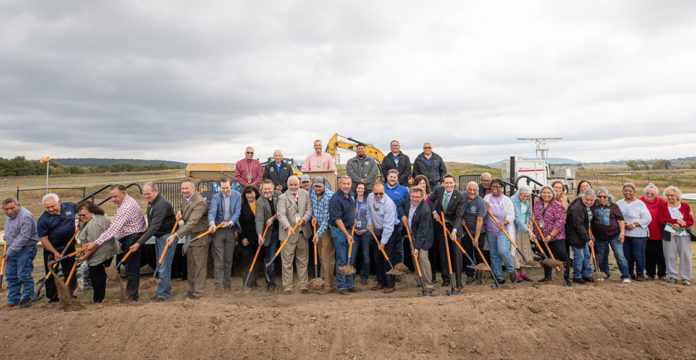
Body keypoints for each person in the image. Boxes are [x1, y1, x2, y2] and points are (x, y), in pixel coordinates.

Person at [88, 185, 147, 301]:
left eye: (115, 196)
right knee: (130, 268)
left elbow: (113, 229)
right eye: (111, 197)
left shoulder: (126, 207)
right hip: (129, 238)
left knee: (131, 269)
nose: (113, 199)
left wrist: (95, 243)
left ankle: (132, 297)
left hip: (132, 239)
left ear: (124, 194)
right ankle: (130, 294)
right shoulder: (126, 202)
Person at [128, 182, 176, 301]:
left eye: (148, 194)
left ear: (156, 191)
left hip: (167, 237)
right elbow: (150, 223)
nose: (146, 196)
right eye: (144, 194)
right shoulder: (152, 202)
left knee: (163, 266)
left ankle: (163, 295)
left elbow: (154, 227)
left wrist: (139, 243)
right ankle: (164, 291)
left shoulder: (161, 204)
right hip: (159, 236)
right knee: (160, 265)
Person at [76, 201, 120, 303]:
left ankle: (98, 299)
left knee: (96, 275)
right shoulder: (100, 215)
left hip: (101, 253)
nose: (81, 217)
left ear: (92, 212)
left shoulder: (94, 226)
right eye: (79, 215)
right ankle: (99, 298)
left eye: (84, 215)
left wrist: (84, 257)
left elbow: (94, 246)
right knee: (99, 275)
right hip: (109, 249)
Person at [38, 193, 78, 302]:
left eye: (53, 206)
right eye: (47, 207)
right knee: (51, 273)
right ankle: (52, 296)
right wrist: (55, 252)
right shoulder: (43, 220)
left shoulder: (70, 207)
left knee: (70, 271)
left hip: (69, 246)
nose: (51, 209)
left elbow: (83, 209)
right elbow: (44, 239)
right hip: (51, 249)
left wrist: (83, 218)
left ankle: (69, 294)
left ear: (59, 202)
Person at [172, 180, 209, 299]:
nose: (184, 191)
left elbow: (192, 222)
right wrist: (179, 210)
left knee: (199, 266)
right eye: (183, 189)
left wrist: (177, 235)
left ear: (193, 189)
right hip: (190, 237)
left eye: (187, 188)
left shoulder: (199, 202)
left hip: (199, 236)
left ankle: (198, 292)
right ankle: (192, 289)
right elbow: (184, 208)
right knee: (191, 264)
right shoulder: (187, 198)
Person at [277, 176, 312, 294]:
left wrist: (305, 219)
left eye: (295, 185)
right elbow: (281, 215)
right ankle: (288, 286)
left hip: (302, 233)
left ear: (299, 185)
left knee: (302, 260)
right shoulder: (282, 197)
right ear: (288, 185)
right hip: (288, 234)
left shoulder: (305, 194)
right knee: (287, 262)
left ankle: (303, 285)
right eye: (291, 185)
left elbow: (309, 210)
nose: (293, 187)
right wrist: (288, 226)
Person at [2, 198, 39, 308]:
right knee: (10, 275)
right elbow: (11, 229)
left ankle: (28, 297)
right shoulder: (8, 216)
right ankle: (13, 300)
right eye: (6, 209)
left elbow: (24, 237)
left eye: (12, 208)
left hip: (26, 249)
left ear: (18, 205)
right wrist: (7, 236)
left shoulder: (26, 217)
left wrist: (9, 251)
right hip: (12, 249)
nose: (9, 211)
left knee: (23, 274)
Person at [207, 178, 242, 296]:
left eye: (227, 188)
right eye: (223, 188)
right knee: (219, 261)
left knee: (228, 260)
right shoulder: (216, 197)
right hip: (218, 230)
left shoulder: (237, 195)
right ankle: (218, 286)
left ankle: (227, 285)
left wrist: (231, 222)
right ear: (220, 188)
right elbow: (212, 211)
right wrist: (212, 223)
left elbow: (237, 212)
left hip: (231, 229)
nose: (225, 190)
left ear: (231, 186)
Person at [429, 174, 465, 288]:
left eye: (451, 183)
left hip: (455, 225)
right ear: (443, 183)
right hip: (441, 224)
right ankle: (446, 279)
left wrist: (454, 230)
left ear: (454, 184)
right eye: (446, 183)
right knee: (443, 252)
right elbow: (431, 199)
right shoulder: (438, 190)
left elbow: (459, 216)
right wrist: (434, 212)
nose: (449, 185)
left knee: (457, 252)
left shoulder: (459, 196)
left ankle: (458, 280)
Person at [590, 188, 630, 283]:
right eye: (599, 196)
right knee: (602, 256)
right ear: (596, 197)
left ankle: (625, 275)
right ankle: (605, 274)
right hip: (600, 237)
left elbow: (620, 220)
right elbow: (589, 222)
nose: (602, 198)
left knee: (620, 256)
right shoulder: (592, 207)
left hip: (614, 235)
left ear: (608, 197)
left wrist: (622, 233)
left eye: (604, 197)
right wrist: (591, 234)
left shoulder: (614, 206)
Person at [398, 186, 434, 291]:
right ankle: (419, 280)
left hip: (424, 237)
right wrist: (403, 215)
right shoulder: (408, 200)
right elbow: (400, 205)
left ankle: (428, 285)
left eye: (417, 197)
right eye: (412, 196)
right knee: (415, 258)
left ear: (422, 197)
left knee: (422, 258)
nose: (414, 199)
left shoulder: (425, 210)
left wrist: (417, 247)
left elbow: (422, 232)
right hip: (412, 235)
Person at [656, 186, 694, 286]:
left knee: (685, 255)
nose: (670, 198)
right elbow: (661, 219)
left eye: (672, 195)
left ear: (677, 196)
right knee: (670, 255)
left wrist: (680, 225)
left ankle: (685, 277)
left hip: (683, 234)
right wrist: (675, 222)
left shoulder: (685, 206)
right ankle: (672, 275)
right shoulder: (663, 206)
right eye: (668, 196)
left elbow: (690, 221)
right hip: (668, 234)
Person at [366, 182, 399, 293]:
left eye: (381, 193)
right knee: (377, 257)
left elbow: (388, 226)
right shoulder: (370, 198)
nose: (378, 196)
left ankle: (391, 285)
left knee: (387, 257)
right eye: (376, 194)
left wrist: (383, 242)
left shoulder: (388, 203)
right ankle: (381, 282)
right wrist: (370, 224)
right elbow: (369, 211)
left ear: (384, 192)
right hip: (377, 229)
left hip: (390, 230)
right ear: (372, 192)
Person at [534, 185, 570, 285]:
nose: (546, 195)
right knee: (546, 256)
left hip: (556, 236)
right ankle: (547, 276)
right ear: (541, 194)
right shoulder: (537, 203)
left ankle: (565, 277)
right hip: (542, 236)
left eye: (549, 193)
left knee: (561, 255)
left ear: (552, 194)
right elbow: (536, 219)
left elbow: (560, 222)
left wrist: (551, 235)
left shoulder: (557, 205)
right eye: (544, 192)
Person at [617, 182, 652, 282]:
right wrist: (623, 225)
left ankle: (640, 273)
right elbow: (617, 216)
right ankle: (629, 272)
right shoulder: (619, 203)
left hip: (638, 234)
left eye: (630, 191)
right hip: (625, 234)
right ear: (622, 191)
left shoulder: (640, 203)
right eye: (625, 190)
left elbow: (647, 218)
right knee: (627, 255)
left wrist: (634, 224)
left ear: (634, 192)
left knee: (638, 254)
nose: (628, 192)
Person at [483, 179, 516, 284]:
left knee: (503, 251)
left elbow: (511, 216)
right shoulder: (487, 198)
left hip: (503, 230)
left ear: (502, 188)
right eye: (493, 186)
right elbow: (483, 212)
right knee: (494, 254)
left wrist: (504, 222)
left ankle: (511, 270)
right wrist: (485, 208)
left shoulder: (506, 200)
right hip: (490, 231)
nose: (495, 188)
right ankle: (499, 276)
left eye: (498, 187)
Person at [330, 176, 359, 294]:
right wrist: (347, 234)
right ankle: (342, 287)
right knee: (342, 259)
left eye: (348, 184)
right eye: (344, 184)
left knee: (350, 258)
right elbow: (337, 220)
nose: (346, 186)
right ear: (339, 184)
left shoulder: (351, 194)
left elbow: (354, 208)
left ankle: (350, 285)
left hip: (349, 230)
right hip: (339, 231)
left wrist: (354, 218)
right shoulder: (335, 199)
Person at [310, 177, 336, 294]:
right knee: (321, 257)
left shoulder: (329, 197)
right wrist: (313, 218)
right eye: (316, 186)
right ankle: (322, 281)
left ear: (324, 186)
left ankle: (329, 285)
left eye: (320, 186)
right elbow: (314, 210)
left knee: (327, 258)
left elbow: (327, 219)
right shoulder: (313, 195)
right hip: (318, 228)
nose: (318, 188)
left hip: (327, 230)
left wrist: (318, 233)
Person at [256, 180, 282, 291]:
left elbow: (282, 210)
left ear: (273, 188)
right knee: (270, 258)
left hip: (283, 228)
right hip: (270, 232)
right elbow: (259, 219)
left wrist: (273, 218)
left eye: (269, 189)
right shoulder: (260, 201)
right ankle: (271, 283)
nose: (267, 191)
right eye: (264, 189)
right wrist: (260, 235)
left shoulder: (279, 195)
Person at [566, 189, 596, 284]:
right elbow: (579, 225)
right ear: (583, 197)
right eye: (587, 199)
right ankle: (577, 276)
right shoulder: (577, 208)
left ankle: (586, 274)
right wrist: (587, 239)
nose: (589, 202)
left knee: (587, 255)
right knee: (580, 256)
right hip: (575, 235)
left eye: (591, 200)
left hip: (582, 234)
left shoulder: (585, 206)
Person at [640, 183, 667, 280]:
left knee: (661, 254)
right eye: (647, 193)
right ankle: (650, 273)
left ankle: (662, 273)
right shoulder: (640, 201)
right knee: (648, 254)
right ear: (644, 193)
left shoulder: (662, 202)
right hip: (645, 233)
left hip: (660, 233)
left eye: (652, 194)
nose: (649, 195)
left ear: (656, 194)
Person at [461, 182, 486, 284]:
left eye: (474, 190)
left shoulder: (480, 202)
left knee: (479, 254)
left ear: (477, 191)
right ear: (467, 190)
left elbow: (480, 221)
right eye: (470, 189)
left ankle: (480, 274)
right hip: (465, 232)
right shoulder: (462, 196)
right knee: (468, 255)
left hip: (478, 232)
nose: (472, 192)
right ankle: (470, 275)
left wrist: (476, 237)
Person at [238, 185, 263, 289]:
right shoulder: (242, 206)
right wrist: (243, 237)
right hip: (246, 239)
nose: (249, 195)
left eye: (251, 193)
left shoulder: (260, 204)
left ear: (256, 193)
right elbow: (239, 224)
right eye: (247, 193)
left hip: (258, 238)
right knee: (247, 261)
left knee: (257, 261)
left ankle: (254, 283)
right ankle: (246, 283)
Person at [384, 169, 409, 265]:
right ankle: (388, 269)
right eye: (391, 177)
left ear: (397, 178)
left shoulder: (403, 190)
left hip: (399, 224)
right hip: (385, 224)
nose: (392, 179)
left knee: (398, 248)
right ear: (387, 177)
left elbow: (407, 205)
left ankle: (399, 270)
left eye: (394, 177)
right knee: (387, 247)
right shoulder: (382, 189)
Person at [510, 186, 535, 282]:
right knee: (515, 249)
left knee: (524, 249)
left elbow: (528, 212)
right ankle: (516, 272)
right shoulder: (513, 200)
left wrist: (528, 222)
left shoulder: (527, 200)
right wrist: (528, 230)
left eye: (528, 197)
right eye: (523, 196)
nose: (525, 199)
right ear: (519, 193)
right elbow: (517, 218)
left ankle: (524, 272)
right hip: (516, 228)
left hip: (524, 227)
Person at [353, 182, 370, 285]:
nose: (360, 190)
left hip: (365, 231)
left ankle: (364, 276)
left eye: (362, 188)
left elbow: (370, 216)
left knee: (365, 254)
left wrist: (366, 228)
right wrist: (353, 228)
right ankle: (352, 275)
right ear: (356, 189)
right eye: (359, 188)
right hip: (354, 231)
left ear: (364, 190)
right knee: (353, 254)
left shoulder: (368, 202)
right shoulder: (352, 201)